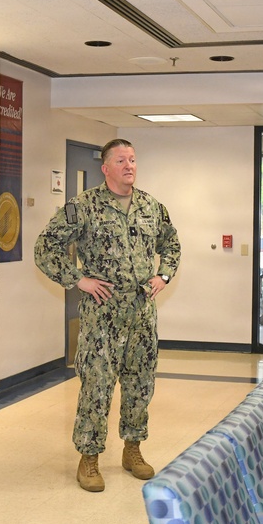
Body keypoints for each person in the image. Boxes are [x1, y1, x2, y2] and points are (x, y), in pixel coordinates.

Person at [35, 138, 182, 492]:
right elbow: (45, 247)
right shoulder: (83, 206)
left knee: (139, 385)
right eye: (121, 160)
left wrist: (163, 276)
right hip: (103, 316)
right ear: (105, 167)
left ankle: (133, 450)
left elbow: (172, 244)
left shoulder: (151, 206)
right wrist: (78, 280)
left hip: (142, 315)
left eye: (133, 159)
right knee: (97, 387)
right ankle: (88, 459)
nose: (129, 165)